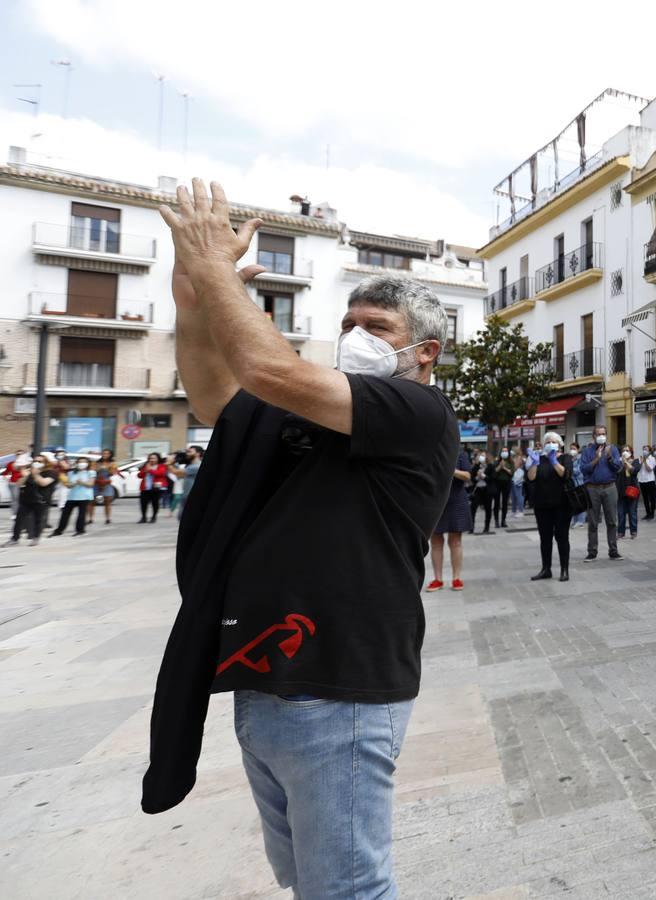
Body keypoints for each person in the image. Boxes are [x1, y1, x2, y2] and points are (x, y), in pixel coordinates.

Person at [144, 180, 457, 899]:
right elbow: (220, 397)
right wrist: (194, 302)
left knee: (346, 890)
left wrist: (221, 277)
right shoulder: (313, 411)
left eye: (374, 326)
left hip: (338, 685)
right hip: (266, 683)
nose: (354, 336)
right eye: (347, 320)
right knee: (307, 882)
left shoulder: (416, 411)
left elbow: (264, 368)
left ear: (424, 351)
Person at [527, 431, 572, 582]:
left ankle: (564, 570)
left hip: (561, 504)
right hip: (542, 504)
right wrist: (534, 463)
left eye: (554, 442)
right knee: (545, 538)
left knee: (562, 537)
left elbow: (565, 475)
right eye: (548, 442)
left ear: (559, 445)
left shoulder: (566, 458)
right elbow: (531, 478)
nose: (550, 444)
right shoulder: (539, 459)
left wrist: (554, 462)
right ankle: (546, 569)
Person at [428, 448, 471, 592]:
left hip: (456, 500)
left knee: (455, 541)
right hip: (434, 501)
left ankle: (456, 578)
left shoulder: (460, 454)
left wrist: (451, 470)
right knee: (435, 542)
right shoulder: (428, 453)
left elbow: (467, 475)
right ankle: (437, 579)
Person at [579, 425, 623, 560]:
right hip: (592, 488)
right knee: (592, 522)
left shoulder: (612, 449)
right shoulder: (587, 451)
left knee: (612, 521)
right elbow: (583, 469)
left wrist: (609, 458)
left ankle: (613, 550)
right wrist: (596, 459)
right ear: (594, 436)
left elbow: (618, 467)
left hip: (609, 487)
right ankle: (592, 551)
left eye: (603, 434)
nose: (601, 436)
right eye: (598, 434)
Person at [6, 457, 54, 546]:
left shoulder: (50, 473)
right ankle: (15, 538)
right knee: (19, 519)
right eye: (35, 461)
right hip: (26, 500)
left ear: (45, 462)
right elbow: (18, 484)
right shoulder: (28, 471)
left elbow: (43, 483)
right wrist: (25, 476)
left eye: (39, 461)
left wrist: (36, 474)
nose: (36, 462)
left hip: (40, 501)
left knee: (38, 520)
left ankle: (36, 538)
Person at [51, 456, 95, 536]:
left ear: (88, 464)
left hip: (84, 496)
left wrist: (82, 483)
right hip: (72, 496)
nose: (82, 464)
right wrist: (73, 484)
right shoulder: (71, 473)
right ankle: (59, 530)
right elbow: (68, 485)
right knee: (65, 513)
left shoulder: (90, 472)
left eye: (84, 462)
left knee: (81, 514)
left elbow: (91, 484)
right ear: (77, 463)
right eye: (80, 462)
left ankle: (80, 530)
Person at [616, 445, 640, 540]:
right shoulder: (618, 462)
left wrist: (626, 462)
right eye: (624, 450)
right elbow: (617, 472)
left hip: (632, 490)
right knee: (621, 513)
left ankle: (633, 531)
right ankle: (621, 532)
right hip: (621, 490)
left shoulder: (636, 461)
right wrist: (622, 462)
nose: (625, 452)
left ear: (631, 452)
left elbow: (634, 471)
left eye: (627, 450)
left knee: (632, 512)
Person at [137, 453, 169, 524]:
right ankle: (143, 517)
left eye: (154, 458)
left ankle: (154, 517)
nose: (152, 460)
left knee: (155, 503)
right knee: (143, 503)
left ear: (158, 459)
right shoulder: (146, 465)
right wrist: (144, 471)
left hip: (156, 488)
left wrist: (150, 470)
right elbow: (139, 475)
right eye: (150, 458)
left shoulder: (161, 466)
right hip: (145, 488)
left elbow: (160, 473)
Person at [468, 450, 494, 534]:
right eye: (480, 456)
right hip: (478, 489)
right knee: (473, 508)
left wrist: (483, 475)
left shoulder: (490, 466)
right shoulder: (476, 466)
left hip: (487, 490)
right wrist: (477, 477)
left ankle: (486, 527)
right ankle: (471, 527)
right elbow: (472, 478)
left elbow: (492, 479)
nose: (482, 457)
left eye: (484, 455)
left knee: (488, 509)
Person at [94, 449, 118, 525]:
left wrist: (108, 468)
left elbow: (113, 473)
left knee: (107, 501)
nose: (105, 455)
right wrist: (99, 468)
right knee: (92, 501)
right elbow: (93, 471)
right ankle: (90, 518)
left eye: (107, 453)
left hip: (107, 482)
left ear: (110, 455)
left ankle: (108, 518)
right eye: (104, 453)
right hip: (97, 482)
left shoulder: (113, 463)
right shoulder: (97, 462)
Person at [492, 448, 514, 528]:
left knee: (505, 503)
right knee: (497, 503)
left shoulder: (510, 462)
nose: (504, 453)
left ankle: (503, 521)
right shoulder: (496, 461)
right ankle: (496, 521)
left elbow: (512, 472)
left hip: (507, 483)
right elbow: (494, 472)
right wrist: (499, 466)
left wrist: (504, 467)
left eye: (506, 451)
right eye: (503, 451)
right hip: (497, 483)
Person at [639, 444, 656, 520]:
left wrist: (645, 461)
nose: (644, 451)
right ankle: (647, 513)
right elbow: (638, 468)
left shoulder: (652, 459)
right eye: (644, 449)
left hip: (650, 480)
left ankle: (652, 513)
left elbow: (649, 469)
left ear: (649, 451)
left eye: (646, 449)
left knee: (652, 498)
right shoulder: (641, 458)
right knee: (645, 498)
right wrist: (641, 461)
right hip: (642, 480)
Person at [167, 453, 188, 519]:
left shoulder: (189, 464)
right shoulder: (175, 464)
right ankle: (171, 511)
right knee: (177, 497)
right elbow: (175, 473)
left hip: (187, 481)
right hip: (179, 482)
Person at [510, 451, 527, 517]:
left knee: (519, 495)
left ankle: (521, 510)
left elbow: (515, 467)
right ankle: (514, 510)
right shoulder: (514, 458)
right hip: (513, 478)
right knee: (513, 496)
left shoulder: (519, 458)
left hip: (518, 479)